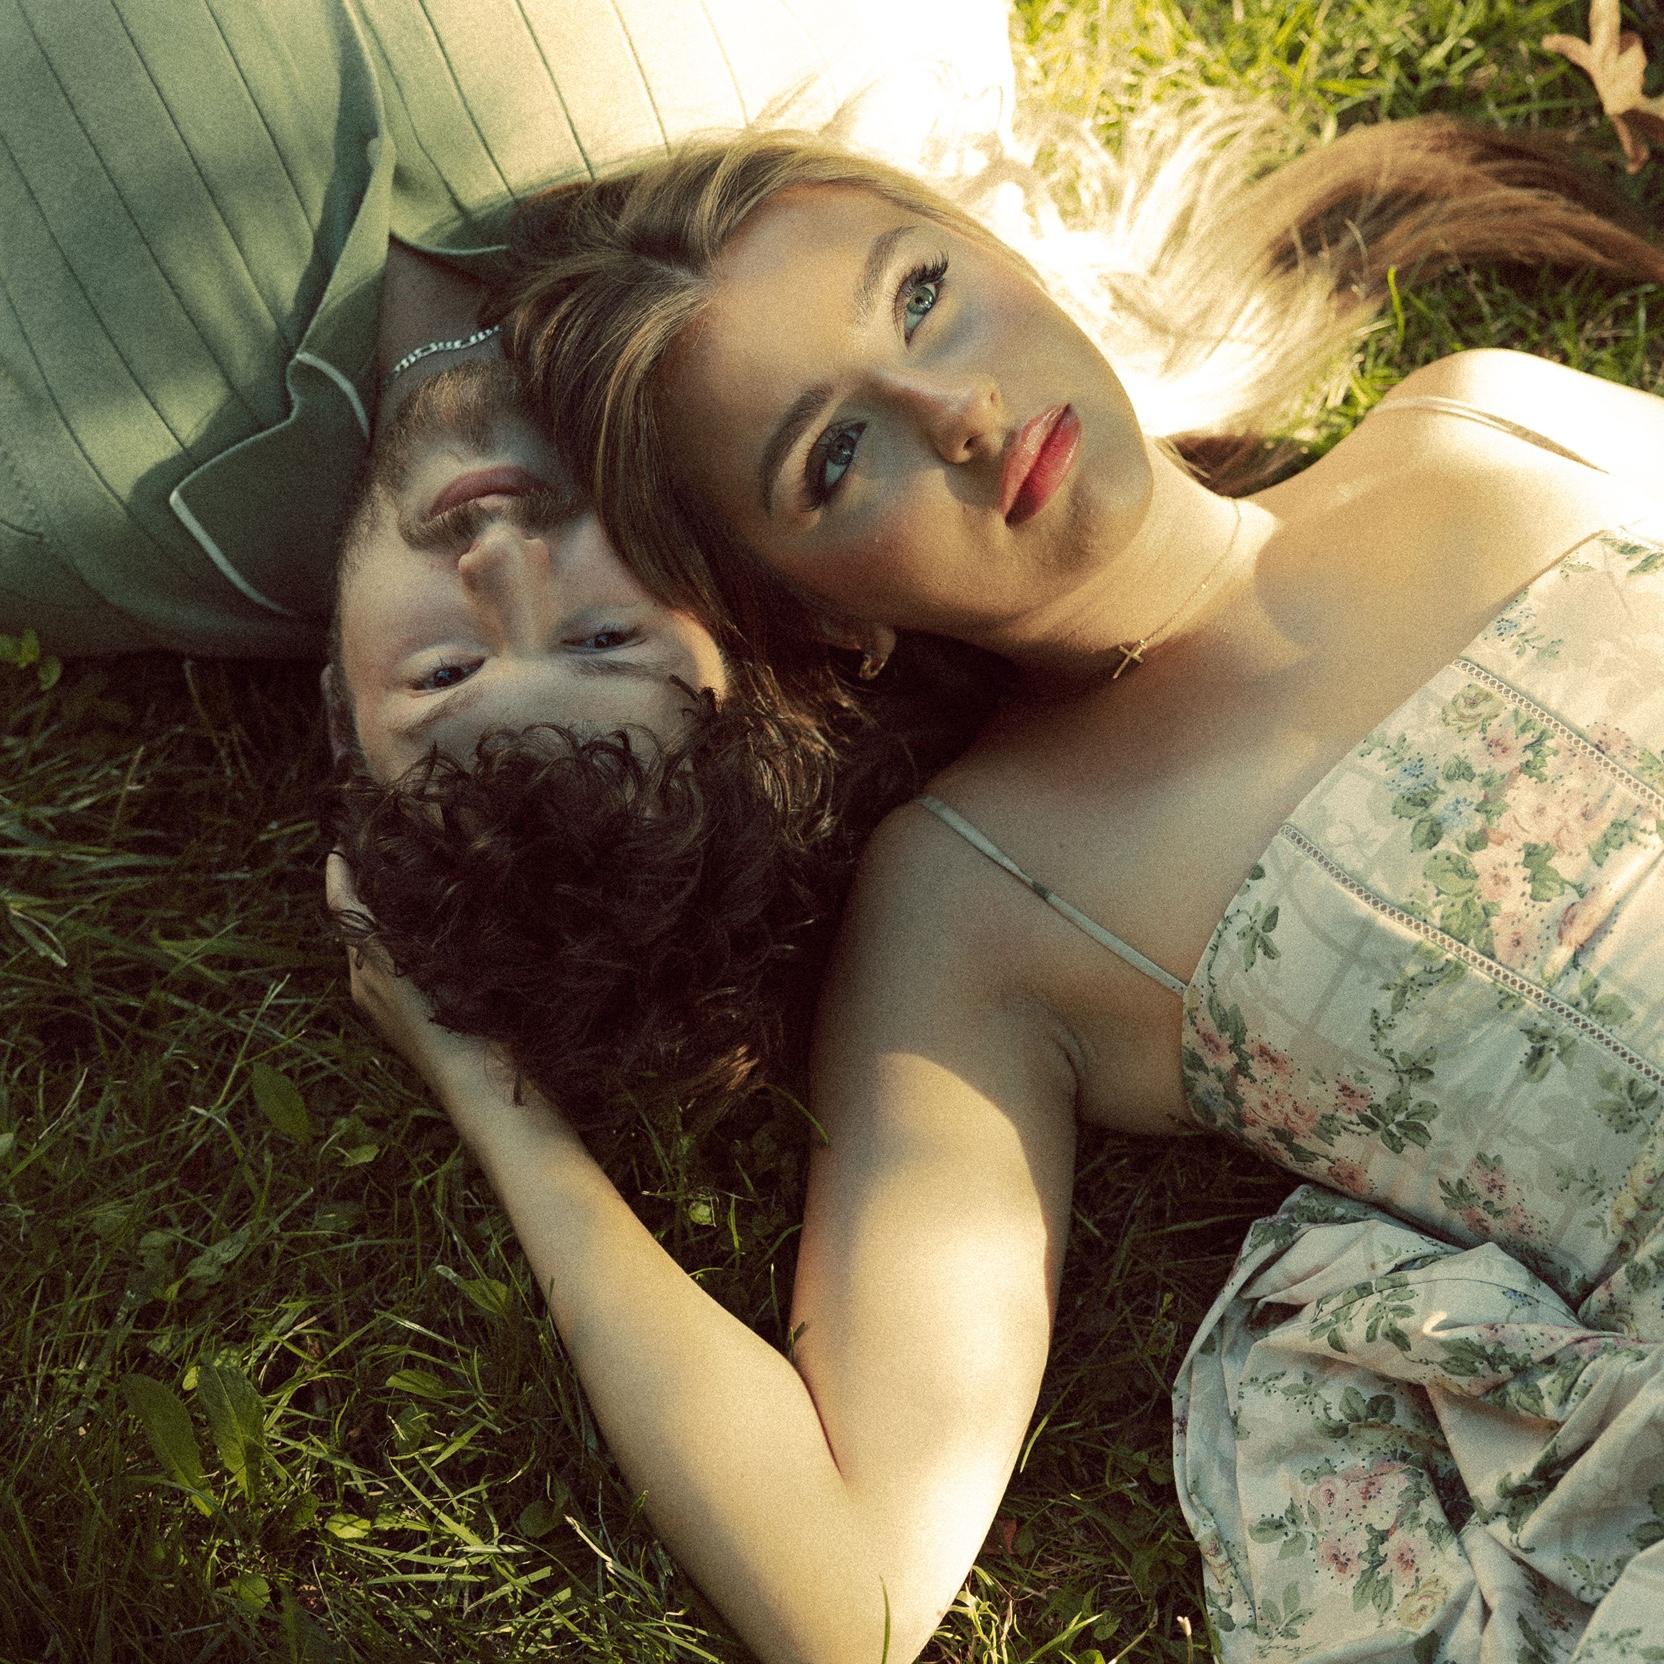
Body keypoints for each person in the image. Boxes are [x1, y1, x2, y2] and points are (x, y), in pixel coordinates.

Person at [325, 114, 1664, 1664]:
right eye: (835, 457)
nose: (956, 412)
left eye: (919, 295)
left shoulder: (1492, 415)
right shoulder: (986, 900)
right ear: (811, 616)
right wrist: (491, 1092)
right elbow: (857, 1591)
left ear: (1001, 253)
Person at [0, 0, 1017, 659]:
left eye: (448, 674)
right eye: (604, 640)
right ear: (724, 604)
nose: (500, 561)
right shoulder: (825, 91)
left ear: (342, 715)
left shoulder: (66, 516)